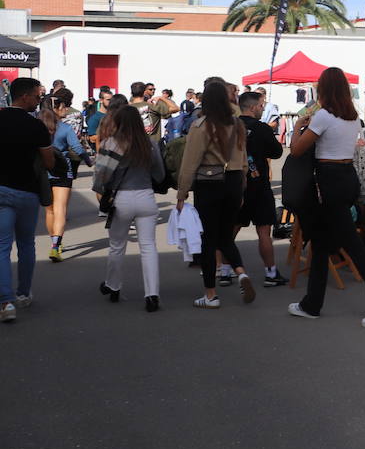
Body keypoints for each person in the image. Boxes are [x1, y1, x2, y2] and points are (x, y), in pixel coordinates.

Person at [288, 66, 365, 328]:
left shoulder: (323, 117)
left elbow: (295, 151)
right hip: (347, 176)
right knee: (323, 243)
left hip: (330, 180)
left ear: (324, 89)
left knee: (352, 246)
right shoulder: (352, 117)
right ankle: (311, 303)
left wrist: (296, 128)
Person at [177, 80, 254, 309]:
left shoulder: (202, 126)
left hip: (209, 182)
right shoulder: (237, 125)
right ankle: (240, 273)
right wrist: (241, 188)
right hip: (233, 181)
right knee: (225, 235)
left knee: (208, 240)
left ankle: (210, 294)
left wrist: (182, 193)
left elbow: (190, 162)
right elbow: (243, 161)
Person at [92, 106, 166, 311]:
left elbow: (101, 177)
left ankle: (113, 286)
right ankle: (152, 295)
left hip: (121, 198)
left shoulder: (111, 143)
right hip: (146, 197)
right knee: (149, 247)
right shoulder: (149, 144)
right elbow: (160, 174)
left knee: (117, 245)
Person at [0, 78, 54, 321]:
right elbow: (49, 161)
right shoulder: (36, 127)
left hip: (1, 190)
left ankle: (5, 303)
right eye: (36, 96)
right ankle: (23, 293)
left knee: (2, 247)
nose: (38, 101)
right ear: (24, 96)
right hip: (27, 192)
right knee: (26, 244)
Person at [235, 91, 287, 287]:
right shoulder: (261, 128)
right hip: (259, 185)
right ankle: (271, 273)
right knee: (264, 230)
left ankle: (223, 270)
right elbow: (277, 151)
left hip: (236, 184)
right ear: (253, 107)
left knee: (231, 228)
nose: (263, 108)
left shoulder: (231, 126)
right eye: (261, 105)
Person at [40, 93, 89, 262]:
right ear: (56, 108)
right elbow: (77, 146)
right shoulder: (65, 128)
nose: (66, 109)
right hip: (62, 170)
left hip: (43, 172)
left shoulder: (36, 126)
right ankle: (56, 246)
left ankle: (53, 240)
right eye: (63, 107)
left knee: (50, 210)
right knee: (61, 208)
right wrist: (88, 160)